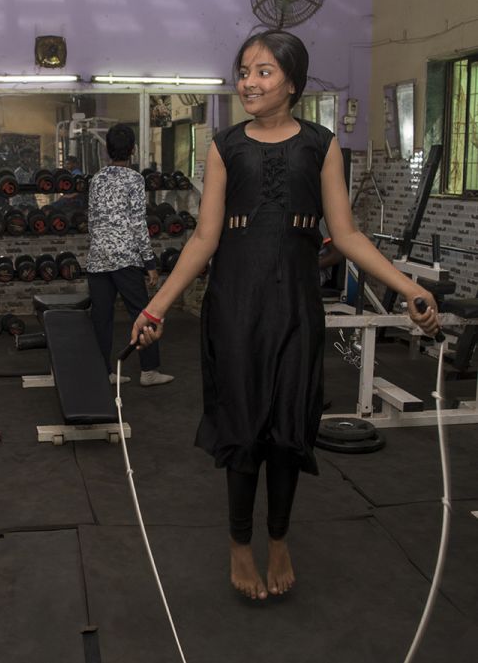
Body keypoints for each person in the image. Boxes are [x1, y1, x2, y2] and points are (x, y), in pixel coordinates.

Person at [129, 30, 439, 600]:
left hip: (295, 306)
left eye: (264, 71)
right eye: (244, 70)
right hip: (235, 306)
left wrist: (408, 287)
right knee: (243, 425)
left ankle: (278, 539)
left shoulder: (322, 146)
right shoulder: (224, 146)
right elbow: (203, 238)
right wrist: (157, 306)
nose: (249, 81)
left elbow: (344, 234)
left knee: (289, 429)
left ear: (292, 83)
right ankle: (240, 544)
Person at [87, 124, 174, 387]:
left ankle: (103, 372)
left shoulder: (97, 179)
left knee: (101, 319)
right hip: (126, 258)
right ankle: (148, 371)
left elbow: (92, 221)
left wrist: (100, 246)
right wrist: (150, 264)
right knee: (142, 312)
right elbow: (138, 223)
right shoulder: (135, 179)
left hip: (98, 258)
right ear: (133, 150)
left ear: (106, 150)